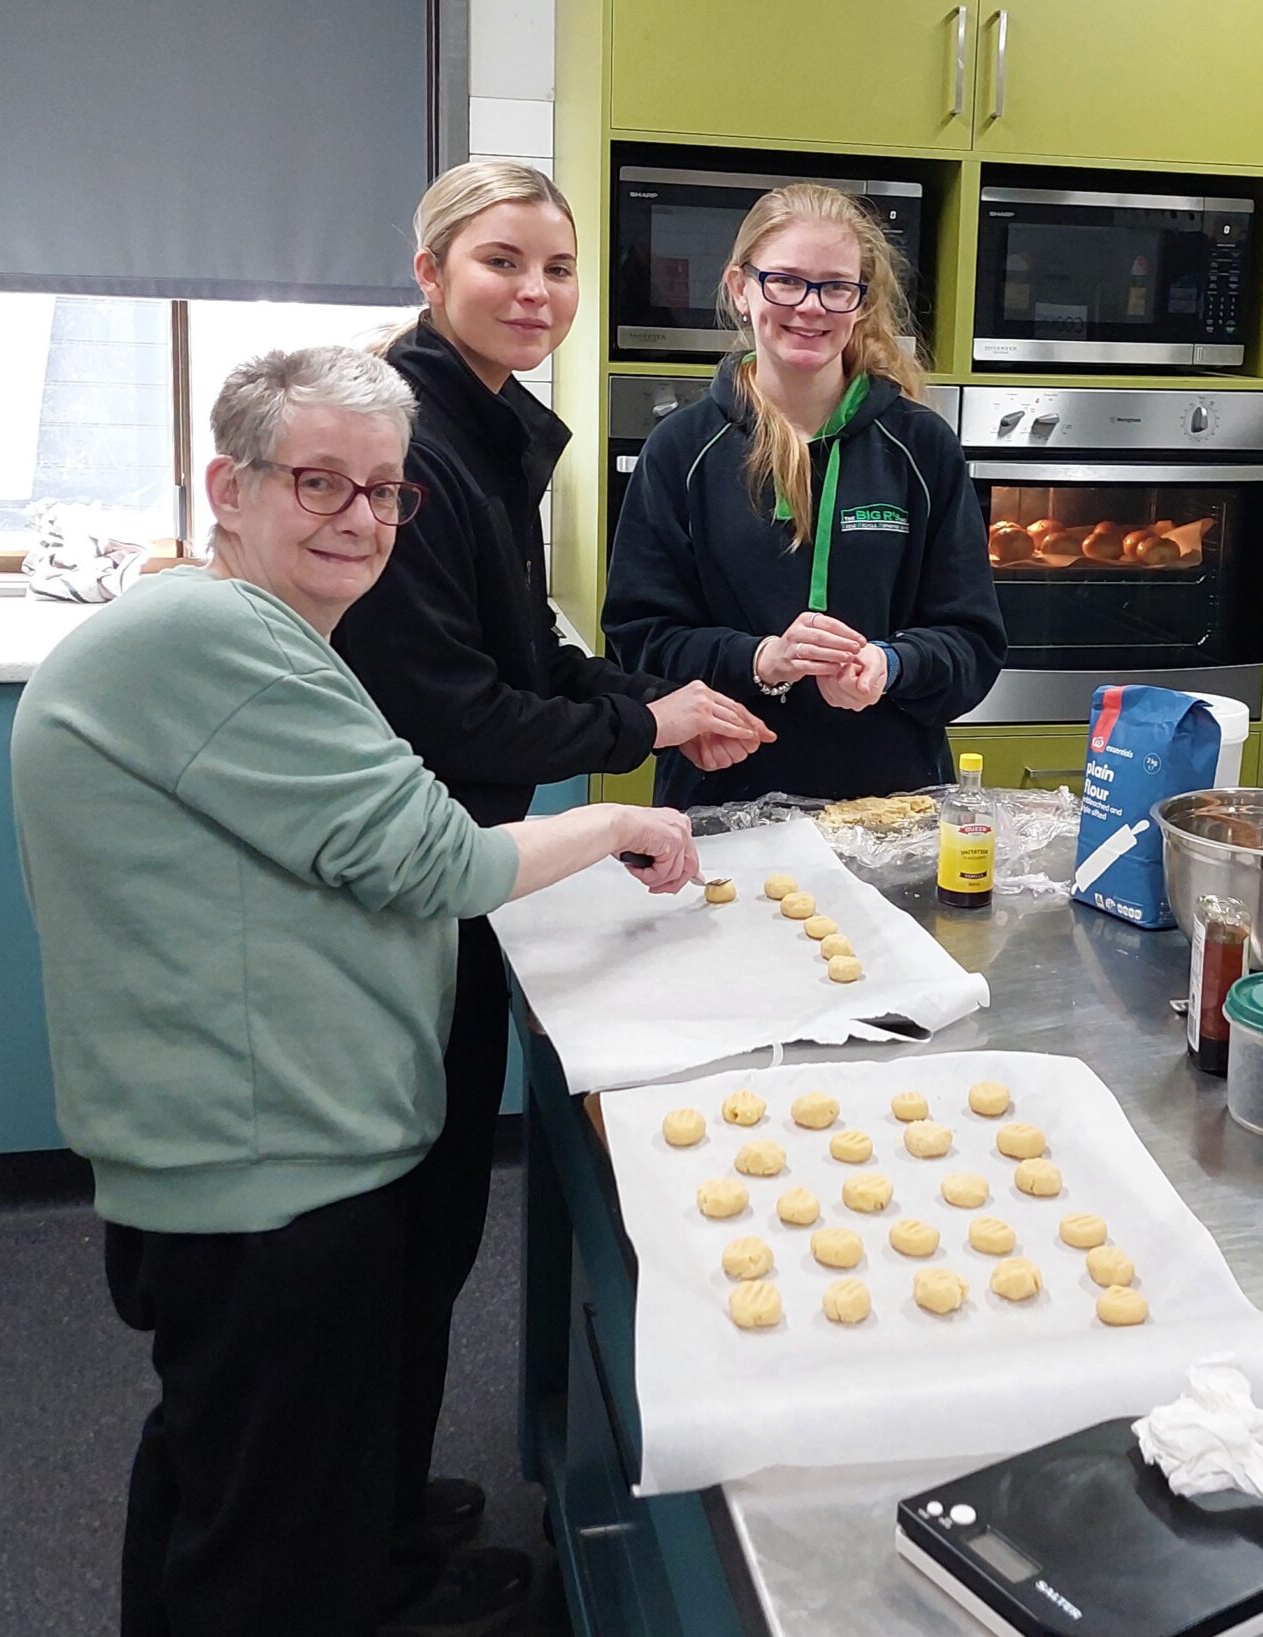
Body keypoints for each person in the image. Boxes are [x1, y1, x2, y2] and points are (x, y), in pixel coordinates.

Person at [12, 346, 700, 1637]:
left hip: (234, 1149)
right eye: (320, 482)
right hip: (268, 1168)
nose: (363, 519)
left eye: (386, 491)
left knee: (219, 1471)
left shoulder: (262, 632)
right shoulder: (220, 641)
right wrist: (618, 831)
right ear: (228, 485)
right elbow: (439, 855)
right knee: (277, 1547)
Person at [331, 160, 771, 1611]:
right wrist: (649, 724)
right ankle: (375, 1560)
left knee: (438, 1212)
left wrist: (676, 694)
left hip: (462, 880)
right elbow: (458, 711)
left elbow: (534, 659)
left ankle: (385, 1495)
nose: (537, 293)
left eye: (560, 269)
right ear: (429, 270)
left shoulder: (484, 431)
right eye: (502, 262)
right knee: (401, 1224)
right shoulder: (414, 440)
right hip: (405, 895)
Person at [601, 182, 1006, 806]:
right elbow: (638, 638)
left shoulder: (921, 446)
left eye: (836, 286)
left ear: (859, 303)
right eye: (784, 281)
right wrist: (760, 659)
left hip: (891, 805)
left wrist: (891, 665)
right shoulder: (681, 451)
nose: (811, 307)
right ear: (741, 288)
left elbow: (973, 644)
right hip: (721, 804)